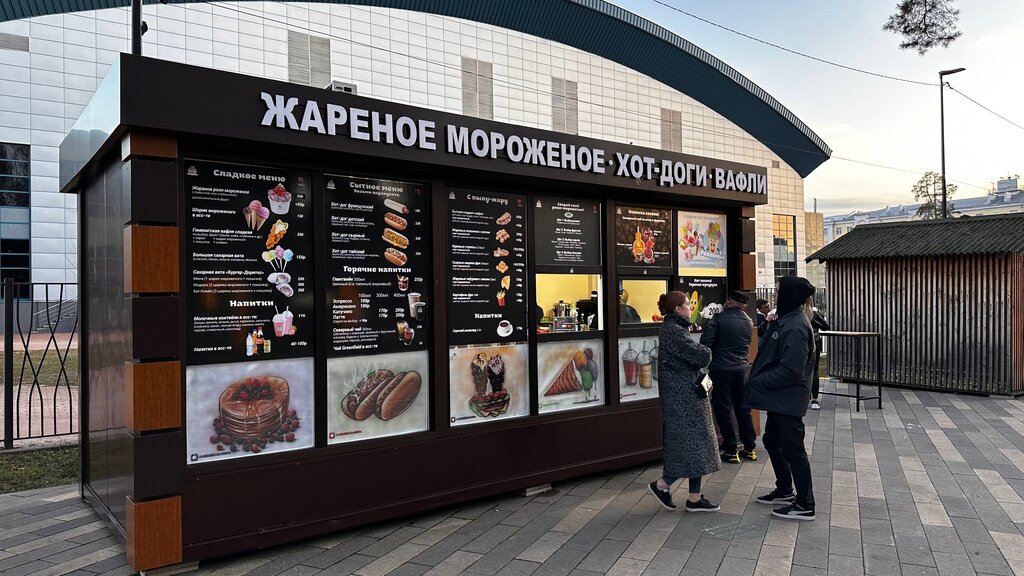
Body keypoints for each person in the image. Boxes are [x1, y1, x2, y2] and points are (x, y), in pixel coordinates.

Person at [745, 276, 818, 521]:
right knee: (772, 440)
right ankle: (785, 490)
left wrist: (759, 381)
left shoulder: (796, 326)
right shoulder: (786, 319)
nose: (775, 294)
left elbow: (792, 370)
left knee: (793, 449)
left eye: (778, 291)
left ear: (789, 295)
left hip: (788, 399)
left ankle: (805, 504)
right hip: (780, 398)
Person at [647, 291, 721, 512]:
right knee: (689, 445)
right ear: (678, 309)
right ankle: (662, 485)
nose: (691, 307)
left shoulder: (676, 328)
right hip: (683, 399)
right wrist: (707, 349)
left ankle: (694, 498)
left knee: (695, 444)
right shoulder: (674, 331)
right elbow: (702, 355)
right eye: (687, 304)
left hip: (688, 395)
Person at [702, 291, 757, 464]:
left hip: (721, 370)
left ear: (727, 301)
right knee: (743, 408)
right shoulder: (748, 321)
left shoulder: (718, 319)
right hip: (741, 370)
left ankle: (731, 450)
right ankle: (750, 448)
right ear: (744, 306)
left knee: (723, 409)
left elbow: (705, 343)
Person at [809, 307, 831, 410]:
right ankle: (814, 399)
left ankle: (805, 396)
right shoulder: (813, 313)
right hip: (814, 342)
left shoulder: (797, 312)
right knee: (814, 370)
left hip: (801, 343)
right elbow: (826, 327)